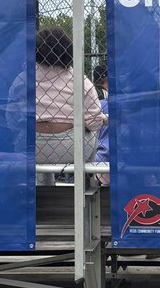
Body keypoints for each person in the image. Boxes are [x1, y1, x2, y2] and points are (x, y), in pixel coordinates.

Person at [34, 27, 106, 183]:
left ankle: (43, 190)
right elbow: (95, 124)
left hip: (32, 147)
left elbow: (12, 119)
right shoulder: (80, 80)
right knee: (91, 133)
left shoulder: (23, 79)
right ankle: (85, 183)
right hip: (73, 147)